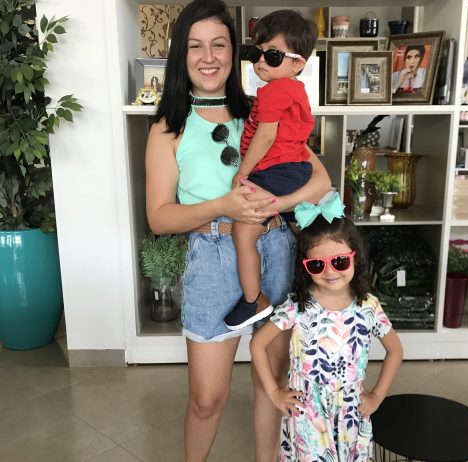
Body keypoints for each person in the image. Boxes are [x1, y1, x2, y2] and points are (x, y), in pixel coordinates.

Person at [144, 0, 331, 460]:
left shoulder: (264, 106)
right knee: (207, 400)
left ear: (235, 51)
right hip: (212, 258)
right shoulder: (169, 127)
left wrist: (275, 206)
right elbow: (159, 217)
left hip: (276, 250)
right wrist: (224, 207)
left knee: (273, 383)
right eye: (195, 46)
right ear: (181, 53)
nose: (208, 57)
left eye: (219, 44)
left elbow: (321, 182)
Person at [250, 192, 403, 461]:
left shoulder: (368, 306)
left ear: (355, 256)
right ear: (305, 266)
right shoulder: (298, 306)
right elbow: (258, 344)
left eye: (340, 261)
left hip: (351, 413)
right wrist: (274, 393)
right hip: (307, 415)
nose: (330, 271)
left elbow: (395, 350)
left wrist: (377, 396)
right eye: (317, 265)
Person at [223, 10, 318, 331]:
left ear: (298, 64)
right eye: (256, 53)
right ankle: (313, 285)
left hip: (275, 171)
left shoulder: (277, 90)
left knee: (242, 231)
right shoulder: (291, 89)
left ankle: (253, 300)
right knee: (300, 232)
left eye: (273, 55)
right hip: (293, 170)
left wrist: (243, 172)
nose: (261, 61)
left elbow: (265, 136)